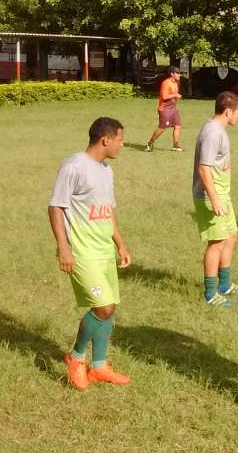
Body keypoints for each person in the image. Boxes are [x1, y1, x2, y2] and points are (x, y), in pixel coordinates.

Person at [49, 117, 133, 390]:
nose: (122, 144)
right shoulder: (74, 166)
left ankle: (98, 366)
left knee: (110, 309)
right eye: (120, 139)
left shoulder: (106, 170)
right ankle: (75, 358)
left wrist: (120, 243)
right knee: (103, 307)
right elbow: (56, 208)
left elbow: (108, 211)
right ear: (105, 140)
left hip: (104, 250)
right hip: (83, 252)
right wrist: (63, 248)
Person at [192, 92, 238, 308]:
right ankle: (210, 293)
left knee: (231, 236)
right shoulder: (212, 132)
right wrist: (214, 199)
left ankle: (225, 284)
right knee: (216, 243)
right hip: (211, 196)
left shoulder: (219, 130)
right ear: (228, 111)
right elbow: (204, 168)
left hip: (222, 193)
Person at [145, 66, 183, 152]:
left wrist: (176, 97)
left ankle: (175, 145)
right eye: (177, 73)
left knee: (178, 126)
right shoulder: (166, 83)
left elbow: (174, 93)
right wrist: (175, 95)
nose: (179, 75)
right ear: (172, 74)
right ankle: (149, 144)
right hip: (165, 108)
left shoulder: (177, 82)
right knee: (162, 127)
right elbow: (164, 96)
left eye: (180, 73)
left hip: (173, 108)